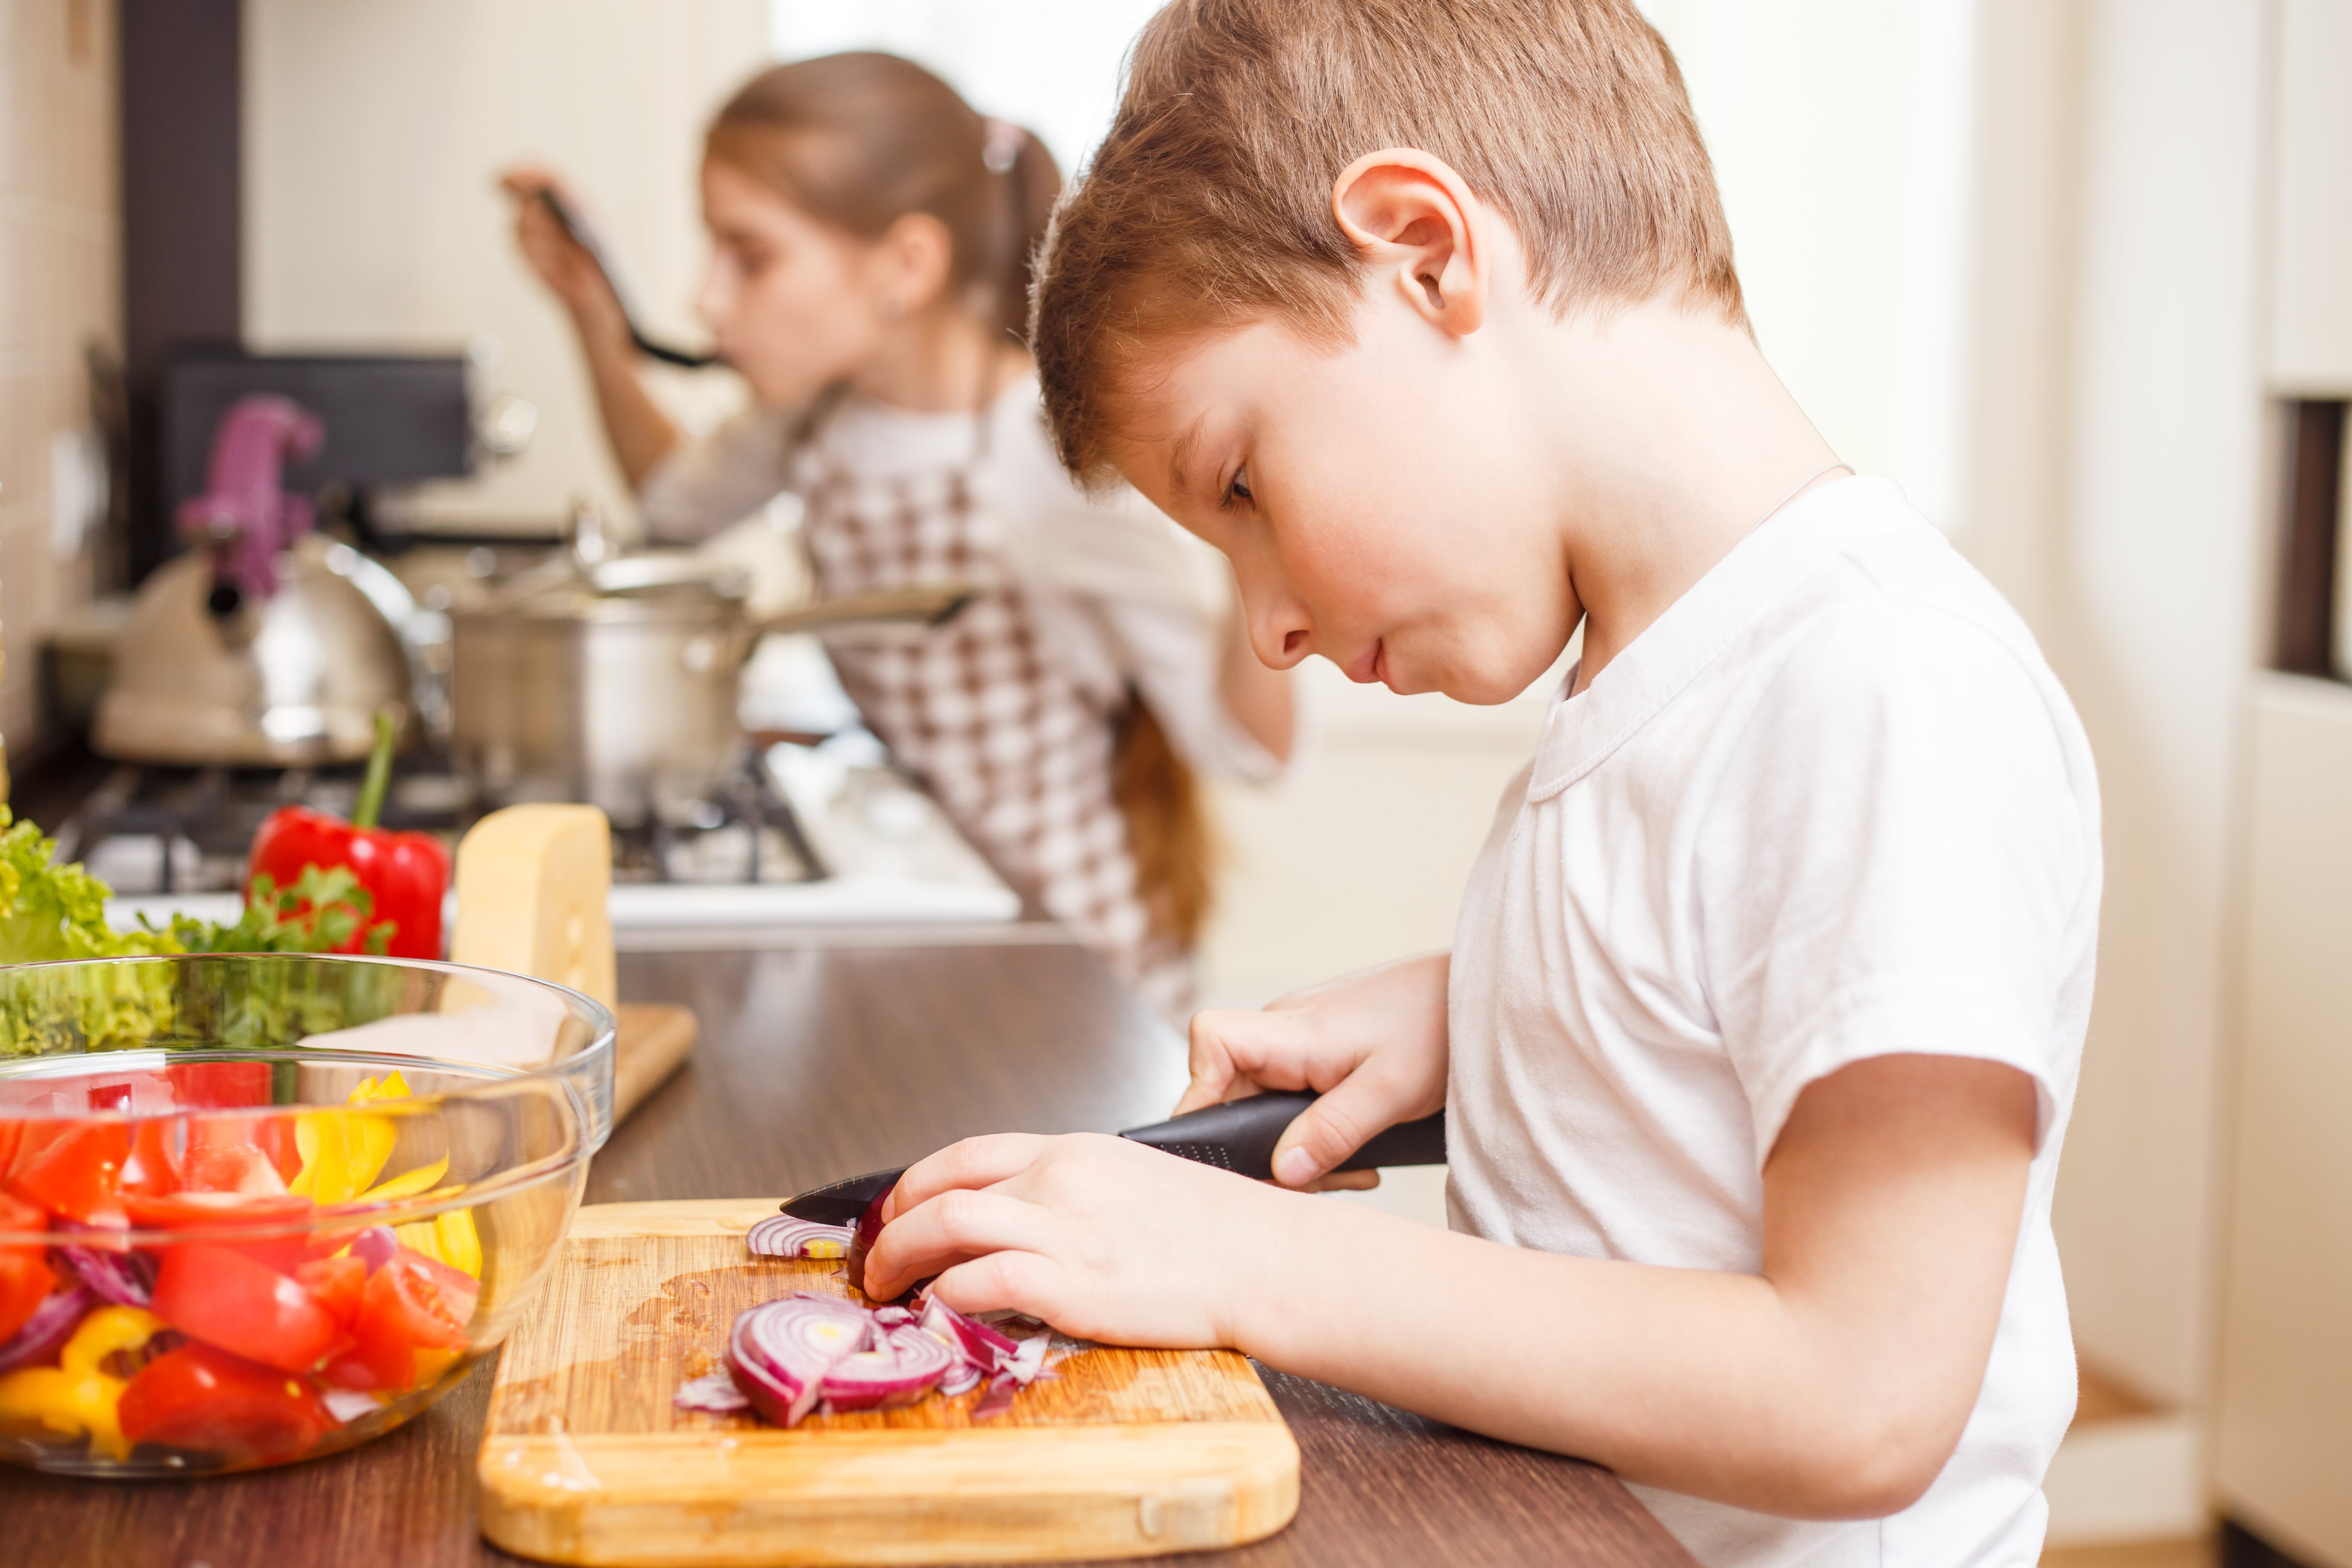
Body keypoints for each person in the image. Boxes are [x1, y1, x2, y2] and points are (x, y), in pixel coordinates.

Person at [854, 3, 2101, 1564]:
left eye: (1240, 482)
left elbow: (1858, 1393)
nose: (1269, 624)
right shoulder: (1672, 683)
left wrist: (1248, 1258)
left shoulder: (1883, 681)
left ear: (1424, 252)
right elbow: (1739, 991)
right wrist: (1498, 1005)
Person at [502, 53, 1293, 1017]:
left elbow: (1247, 751)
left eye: (749, 256)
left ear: (906, 266)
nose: (708, 300)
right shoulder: (816, 418)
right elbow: (673, 507)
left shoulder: (1037, 458)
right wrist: (591, 315)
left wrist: (1270, 529)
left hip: (1075, 975)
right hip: (937, 939)